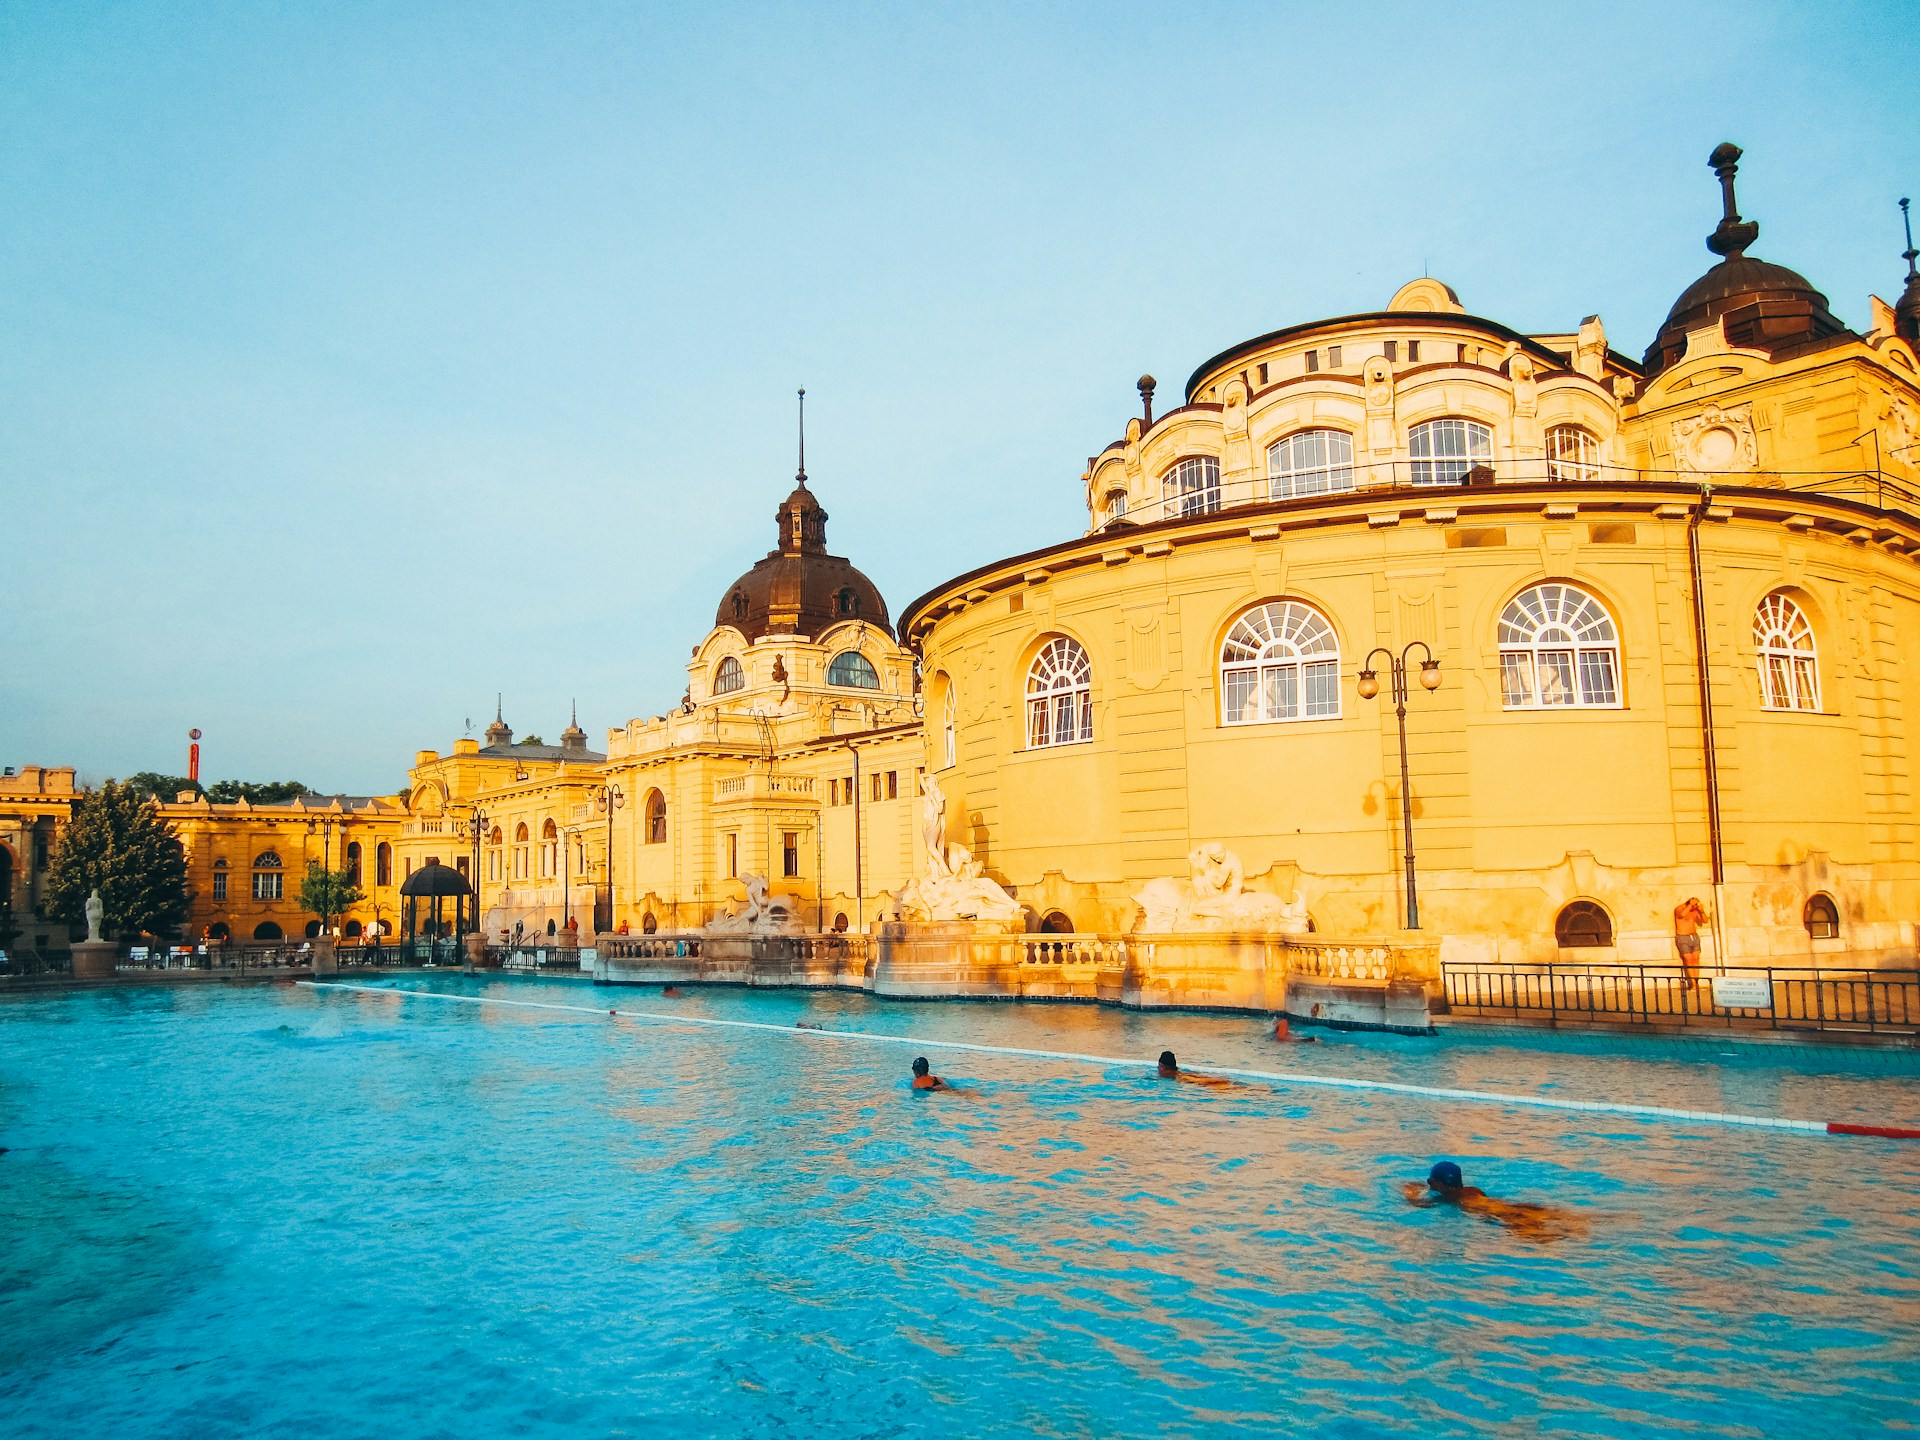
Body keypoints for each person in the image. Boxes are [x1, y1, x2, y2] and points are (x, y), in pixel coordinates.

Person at [1403, 1161, 1581, 1242]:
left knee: (1541, 1238)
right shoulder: (1473, 1190)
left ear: (1441, 1185)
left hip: (1498, 1215)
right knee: (1545, 1215)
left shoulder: (1449, 1199)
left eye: (1431, 1181)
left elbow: (1418, 1204)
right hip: (1510, 1206)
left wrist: (1409, 1192)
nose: (1429, 1183)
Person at [1673, 897, 1709, 989]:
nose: (1695, 906)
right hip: (1683, 937)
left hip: (1694, 936)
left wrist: (1701, 911)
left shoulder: (1695, 911)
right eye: (1695, 904)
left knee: (1696, 959)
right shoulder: (1680, 909)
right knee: (1688, 960)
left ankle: (1696, 982)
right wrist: (1690, 905)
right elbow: (1681, 915)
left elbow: (1705, 921)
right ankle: (1692, 983)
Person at [1156, 1050, 1232, 1088]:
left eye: (1159, 1066)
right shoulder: (1182, 1074)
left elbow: (1210, 1082)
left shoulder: (1182, 1078)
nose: (1157, 1068)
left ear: (1162, 1067)